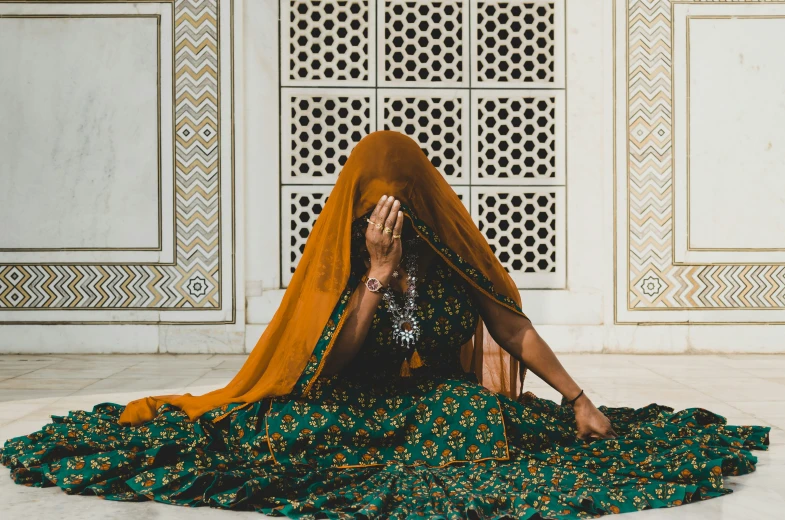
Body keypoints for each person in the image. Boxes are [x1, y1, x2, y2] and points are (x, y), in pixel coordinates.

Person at [1, 131, 770, 518]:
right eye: (372, 205)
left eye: (395, 203)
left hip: (428, 398)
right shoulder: (346, 259)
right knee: (285, 439)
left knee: (475, 414)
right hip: (344, 402)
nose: (385, 215)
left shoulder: (446, 255)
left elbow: (513, 331)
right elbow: (333, 364)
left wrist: (576, 398)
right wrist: (376, 273)